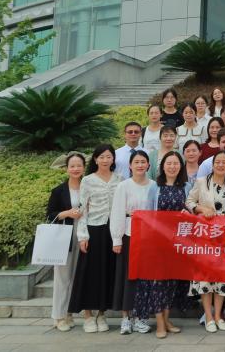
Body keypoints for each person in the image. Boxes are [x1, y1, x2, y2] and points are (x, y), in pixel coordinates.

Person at [133, 151, 188, 339]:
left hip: (178, 243)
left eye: (176, 163)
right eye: (169, 163)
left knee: (171, 282)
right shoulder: (154, 187)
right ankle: (159, 323)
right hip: (156, 242)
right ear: (162, 166)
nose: (172, 167)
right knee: (157, 282)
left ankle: (167, 319)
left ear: (180, 166)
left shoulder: (186, 186)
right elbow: (148, 213)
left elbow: (190, 209)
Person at [68, 144, 120, 333]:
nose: (105, 160)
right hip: (93, 230)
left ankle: (101, 314)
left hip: (112, 231)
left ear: (113, 159)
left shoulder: (120, 179)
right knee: (89, 273)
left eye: (109, 156)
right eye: (102, 157)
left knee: (107, 272)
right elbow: (83, 209)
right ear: (96, 159)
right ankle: (88, 315)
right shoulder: (88, 180)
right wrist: (82, 236)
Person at [187, 150, 225, 332]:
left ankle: (218, 316)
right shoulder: (201, 182)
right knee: (205, 279)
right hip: (204, 238)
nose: (221, 165)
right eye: (218, 162)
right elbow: (189, 201)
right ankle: (208, 316)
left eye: (224, 162)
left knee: (222, 277)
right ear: (212, 164)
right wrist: (201, 209)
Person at [110, 150, 156, 335]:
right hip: (129, 235)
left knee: (144, 278)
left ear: (148, 165)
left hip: (148, 238)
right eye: (136, 162)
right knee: (127, 276)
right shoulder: (124, 186)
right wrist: (117, 239)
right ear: (130, 165)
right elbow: (117, 212)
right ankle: (126, 318)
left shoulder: (154, 185)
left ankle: (141, 317)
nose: (140, 165)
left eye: (143, 162)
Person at [47, 151, 85, 332]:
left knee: (77, 277)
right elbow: (51, 214)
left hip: (84, 236)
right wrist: (68, 213)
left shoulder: (88, 187)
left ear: (84, 167)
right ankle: (59, 316)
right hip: (65, 237)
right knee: (62, 278)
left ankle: (69, 313)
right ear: (67, 169)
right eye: (72, 166)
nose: (76, 169)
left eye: (79, 165)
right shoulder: (59, 190)